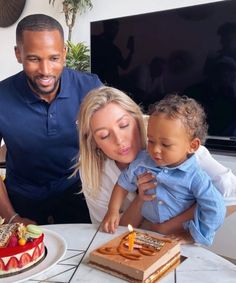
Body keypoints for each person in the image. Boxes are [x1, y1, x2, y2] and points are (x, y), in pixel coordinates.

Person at [76, 86, 236, 234]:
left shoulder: (179, 145)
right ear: (94, 142)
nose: (119, 140)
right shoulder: (94, 171)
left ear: (137, 120)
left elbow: (231, 195)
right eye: (104, 135)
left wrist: (168, 226)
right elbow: (112, 231)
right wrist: (140, 200)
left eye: (124, 125)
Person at [0, 14, 102, 225]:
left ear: (64, 54)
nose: (45, 71)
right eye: (34, 59)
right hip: (22, 195)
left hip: (77, 189)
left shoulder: (90, 87)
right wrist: (12, 217)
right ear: (19, 54)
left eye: (54, 58)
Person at [102, 94, 226, 246]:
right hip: (146, 232)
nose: (155, 150)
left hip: (178, 237)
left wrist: (193, 235)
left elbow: (216, 208)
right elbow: (122, 183)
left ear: (192, 146)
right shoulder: (142, 161)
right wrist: (112, 210)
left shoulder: (196, 177)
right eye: (151, 141)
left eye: (166, 145)